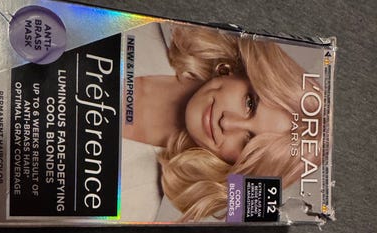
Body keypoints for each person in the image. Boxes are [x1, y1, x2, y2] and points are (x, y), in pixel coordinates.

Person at [122, 23, 323, 221]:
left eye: (246, 142)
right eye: (250, 103)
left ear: (235, 166)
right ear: (244, 71)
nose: (227, 123)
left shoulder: (134, 205)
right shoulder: (145, 24)